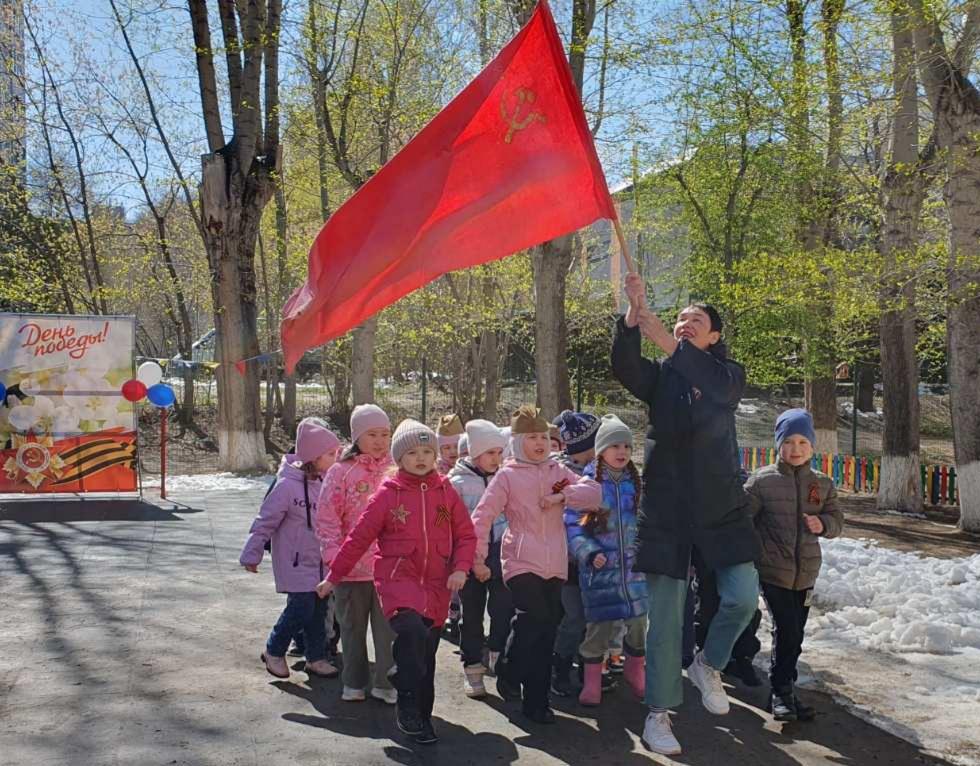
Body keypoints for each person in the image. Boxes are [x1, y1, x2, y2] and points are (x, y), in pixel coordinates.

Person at [612, 273, 760, 756]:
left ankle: (708, 663)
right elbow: (627, 368)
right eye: (679, 319)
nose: (684, 323)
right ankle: (659, 714)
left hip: (721, 508)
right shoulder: (662, 379)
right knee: (666, 618)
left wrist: (665, 339)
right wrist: (633, 320)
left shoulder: (728, 376)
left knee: (741, 596)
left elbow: (711, 382)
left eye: (696, 320)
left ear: (714, 336)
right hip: (668, 510)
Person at [316, 419, 476, 745]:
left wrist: (460, 568)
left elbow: (466, 534)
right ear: (399, 458)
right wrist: (334, 576)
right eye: (413, 452)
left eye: (427, 451)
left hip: (437, 584)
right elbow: (358, 539)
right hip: (397, 579)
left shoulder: (447, 491)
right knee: (412, 631)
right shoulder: (387, 495)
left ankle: (421, 718)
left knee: (426, 658)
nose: (421, 458)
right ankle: (404, 696)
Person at [470, 406, 602, 724]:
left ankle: (527, 691)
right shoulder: (507, 475)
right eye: (532, 437)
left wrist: (562, 497)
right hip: (519, 560)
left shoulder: (557, 473)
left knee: (544, 630)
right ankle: (519, 681)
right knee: (536, 618)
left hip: (555, 563)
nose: (540, 443)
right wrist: (476, 557)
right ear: (517, 441)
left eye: (544, 436)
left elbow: (594, 494)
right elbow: (482, 516)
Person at [745, 408, 843, 721]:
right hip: (773, 570)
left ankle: (786, 688)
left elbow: (837, 519)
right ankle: (780, 693)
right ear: (778, 445)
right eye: (789, 442)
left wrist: (823, 524)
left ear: (813, 446)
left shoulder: (823, 483)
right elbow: (742, 519)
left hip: (806, 574)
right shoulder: (762, 481)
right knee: (787, 628)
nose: (796, 449)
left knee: (796, 633)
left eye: (803, 442)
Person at [240, 417, 341, 680]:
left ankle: (316, 657)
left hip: (321, 562)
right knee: (301, 608)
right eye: (330, 454)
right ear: (314, 456)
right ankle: (274, 649)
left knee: (318, 612)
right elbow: (265, 521)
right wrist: (253, 552)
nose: (336, 458)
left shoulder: (325, 482)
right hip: (294, 562)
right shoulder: (286, 486)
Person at [316, 404, 397, 704]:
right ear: (356, 436)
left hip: (388, 568)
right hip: (349, 568)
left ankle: (386, 683)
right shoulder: (341, 471)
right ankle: (353, 681)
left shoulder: (396, 469)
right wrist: (334, 555)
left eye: (385, 434)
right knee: (351, 629)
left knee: (388, 631)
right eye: (372, 434)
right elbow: (327, 517)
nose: (379, 440)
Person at [565, 414, 648, 706]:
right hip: (600, 574)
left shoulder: (637, 484)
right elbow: (573, 526)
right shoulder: (589, 484)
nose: (622, 451)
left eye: (626, 445)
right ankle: (591, 683)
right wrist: (589, 552)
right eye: (615, 446)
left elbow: (647, 524)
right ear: (601, 450)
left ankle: (635, 672)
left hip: (634, 573)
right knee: (598, 628)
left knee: (638, 623)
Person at [449, 419, 513, 698]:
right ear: (474, 452)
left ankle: (499, 660)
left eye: (500, 453)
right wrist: (469, 560)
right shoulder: (456, 483)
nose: (496, 459)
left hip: (501, 555)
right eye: (490, 453)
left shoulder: (506, 477)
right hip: (467, 559)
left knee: (503, 612)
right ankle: (473, 669)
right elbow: (449, 522)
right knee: (472, 616)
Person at [550, 410, 601, 697]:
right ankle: (561, 665)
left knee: (595, 619)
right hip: (569, 561)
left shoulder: (607, 471)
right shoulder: (563, 476)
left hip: (600, 561)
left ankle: (589, 669)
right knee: (574, 617)